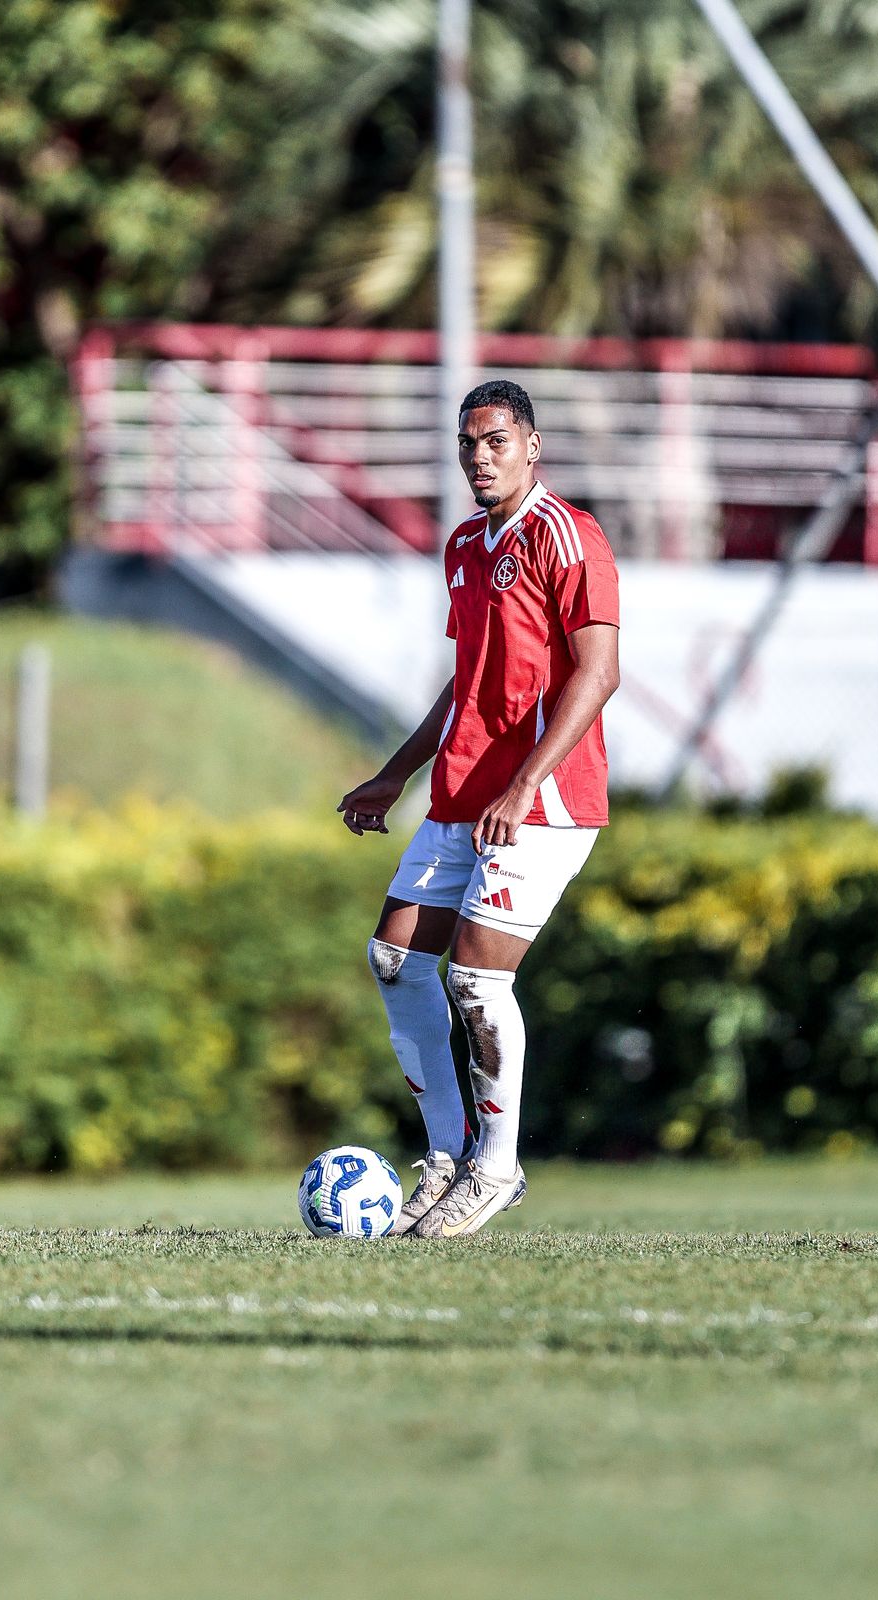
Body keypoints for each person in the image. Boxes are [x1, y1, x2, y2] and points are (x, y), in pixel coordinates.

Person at [338, 378, 620, 1238]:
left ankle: (495, 1170)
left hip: (541, 800)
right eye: (468, 443)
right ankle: (446, 1156)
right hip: (464, 794)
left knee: (475, 978)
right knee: (395, 958)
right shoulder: (464, 544)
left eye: (496, 440)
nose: (479, 457)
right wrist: (395, 775)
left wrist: (525, 781)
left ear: (531, 445)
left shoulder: (566, 535)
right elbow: (466, 683)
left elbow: (599, 673)